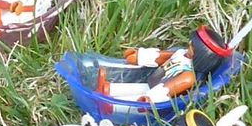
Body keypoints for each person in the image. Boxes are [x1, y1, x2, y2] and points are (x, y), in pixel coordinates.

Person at [97, 26, 232, 104]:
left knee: (132, 101)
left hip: (154, 95)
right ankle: (107, 89)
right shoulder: (181, 54)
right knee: (132, 88)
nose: (189, 45)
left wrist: (152, 98)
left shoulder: (188, 76)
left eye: (193, 47)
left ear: (202, 56)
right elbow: (160, 57)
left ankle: (112, 106)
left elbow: (168, 89)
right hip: (151, 83)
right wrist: (140, 56)